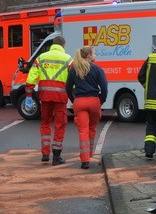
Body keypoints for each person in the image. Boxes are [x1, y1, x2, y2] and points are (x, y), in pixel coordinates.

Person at [26, 35, 72, 165]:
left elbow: (31, 79)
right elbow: (73, 80)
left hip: (45, 96)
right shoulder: (68, 59)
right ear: (63, 46)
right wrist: (74, 95)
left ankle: (45, 153)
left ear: (52, 44)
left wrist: (29, 96)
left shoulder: (40, 58)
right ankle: (56, 156)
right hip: (60, 98)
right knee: (60, 125)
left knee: (45, 123)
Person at [66, 46, 108, 170]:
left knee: (83, 130)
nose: (95, 55)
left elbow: (68, 88)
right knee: (92, 128)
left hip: (79, 102)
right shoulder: (97, 69)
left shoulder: (74, 70)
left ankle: (85, 160)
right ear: (89, 55)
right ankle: (89, 153)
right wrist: (101, 100)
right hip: (94, 101)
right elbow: (104, 87)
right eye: (94, 53)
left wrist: (74, 100)